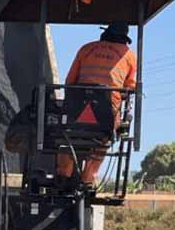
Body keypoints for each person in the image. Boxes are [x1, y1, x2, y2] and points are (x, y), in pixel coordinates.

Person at [57, 21, 137, 186]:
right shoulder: (129, 56)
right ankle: (88, 179)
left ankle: (63, 175)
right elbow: (129, 89)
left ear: (106, 33)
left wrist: (70, 104)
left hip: (77, 106)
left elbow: (70, 81)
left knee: (67, 137)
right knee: (103, 139)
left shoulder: (87, 48)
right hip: (107, 112)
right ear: (124, 38)